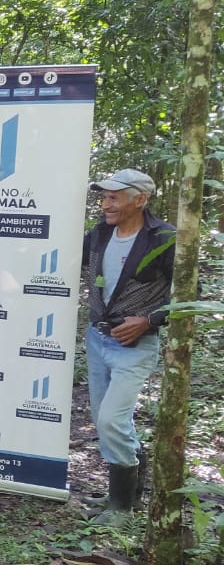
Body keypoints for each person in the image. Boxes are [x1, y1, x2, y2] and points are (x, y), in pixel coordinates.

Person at [81, 169, 174, 525]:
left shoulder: (164, 238)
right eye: (103, 197)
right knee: (105, 421)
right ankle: (125, 495)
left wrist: (149, 320)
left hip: (134, 346)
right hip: (97, 338)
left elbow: (187, 294)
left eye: (114, 197)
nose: (106, 204)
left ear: (140, 199)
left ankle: (120, 508)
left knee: (111, 419)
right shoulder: (101, 233)